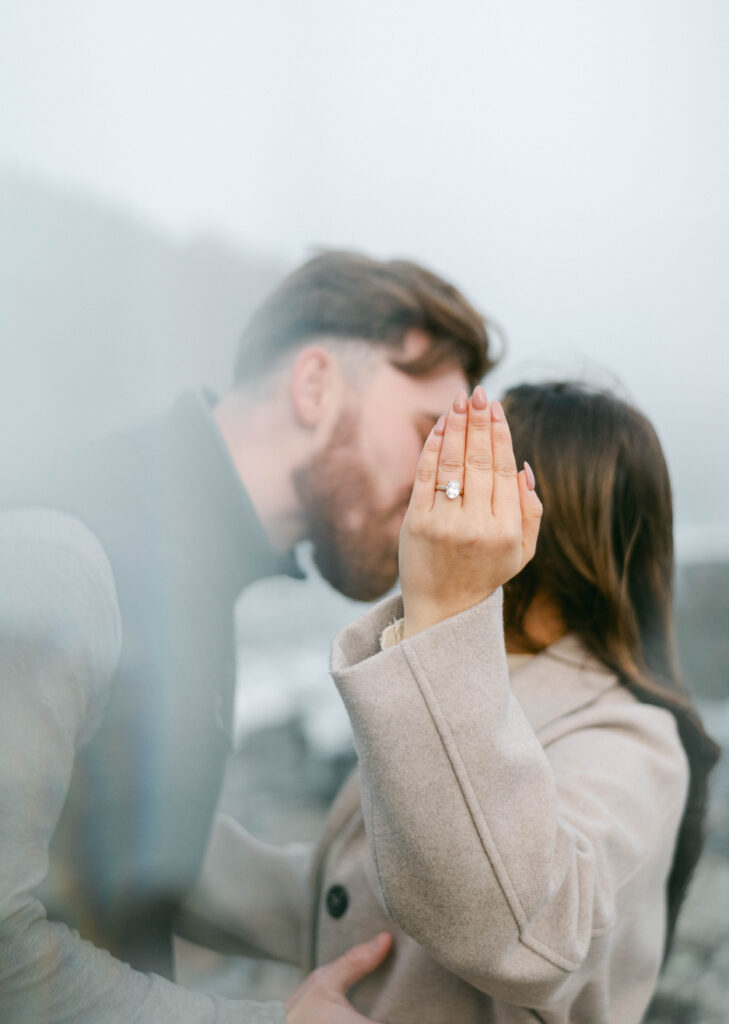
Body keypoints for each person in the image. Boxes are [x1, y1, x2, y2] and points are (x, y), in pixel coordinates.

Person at [0, 251, 495, 1023]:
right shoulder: (64, 560)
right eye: (429, 432)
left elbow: (118, 839)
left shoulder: (187, 561)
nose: (445, 480)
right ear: (315, 385)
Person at [186, 381, 719, 1023]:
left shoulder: (634, 741)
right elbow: (348, 895)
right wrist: (150, 845)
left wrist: (445, 609)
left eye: (468, 466)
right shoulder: (462, 678)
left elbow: (532, 931)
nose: (428, 490)